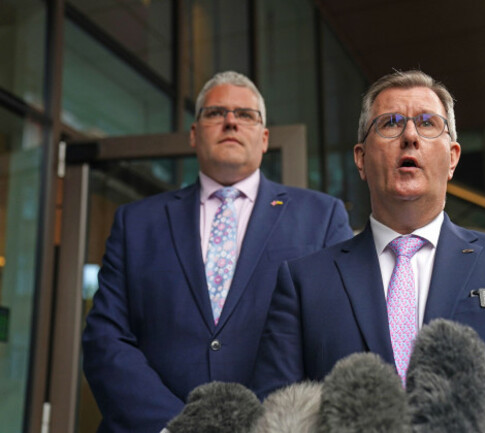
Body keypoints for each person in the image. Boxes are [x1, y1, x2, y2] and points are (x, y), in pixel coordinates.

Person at [252, 70, 485, 432]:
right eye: (391, 123)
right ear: (360, 157)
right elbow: (273, 413)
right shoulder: (304, 282)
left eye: (428, 123)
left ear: (452, 157)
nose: (410, 136)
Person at [82, 71, 353, 433]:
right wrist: (174, 427)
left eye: (245, 114)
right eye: (215, 113)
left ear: (264, 137)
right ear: (194, 134)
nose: (230, 121)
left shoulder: (321, 217)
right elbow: (106, 337)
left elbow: (333, 336)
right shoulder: (137, 223)